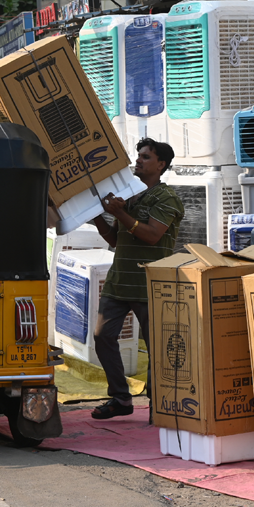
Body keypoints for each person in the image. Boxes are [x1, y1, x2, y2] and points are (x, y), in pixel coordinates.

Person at [89, 138, 184, 420]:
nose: (138, 160)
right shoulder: (129, 196)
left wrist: (120, 214)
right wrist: (98, 218)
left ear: (161, 164)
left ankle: (160, 404)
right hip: (119, 283)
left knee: (157, 348)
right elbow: (115, 240)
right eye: (138, 156)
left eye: (145, 157)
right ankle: (121, 399)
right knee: (102, 336)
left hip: (149, 286)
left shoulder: (166, 199)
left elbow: (153, 236)